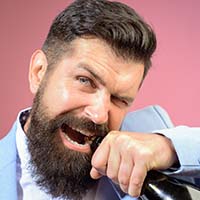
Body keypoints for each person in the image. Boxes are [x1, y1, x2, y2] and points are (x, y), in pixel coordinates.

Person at [0, 0, 199, 199]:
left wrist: (168, 149)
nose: (99, 115)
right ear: (39, 72)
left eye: (119, 99)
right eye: (85, 81)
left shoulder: (151, 133)